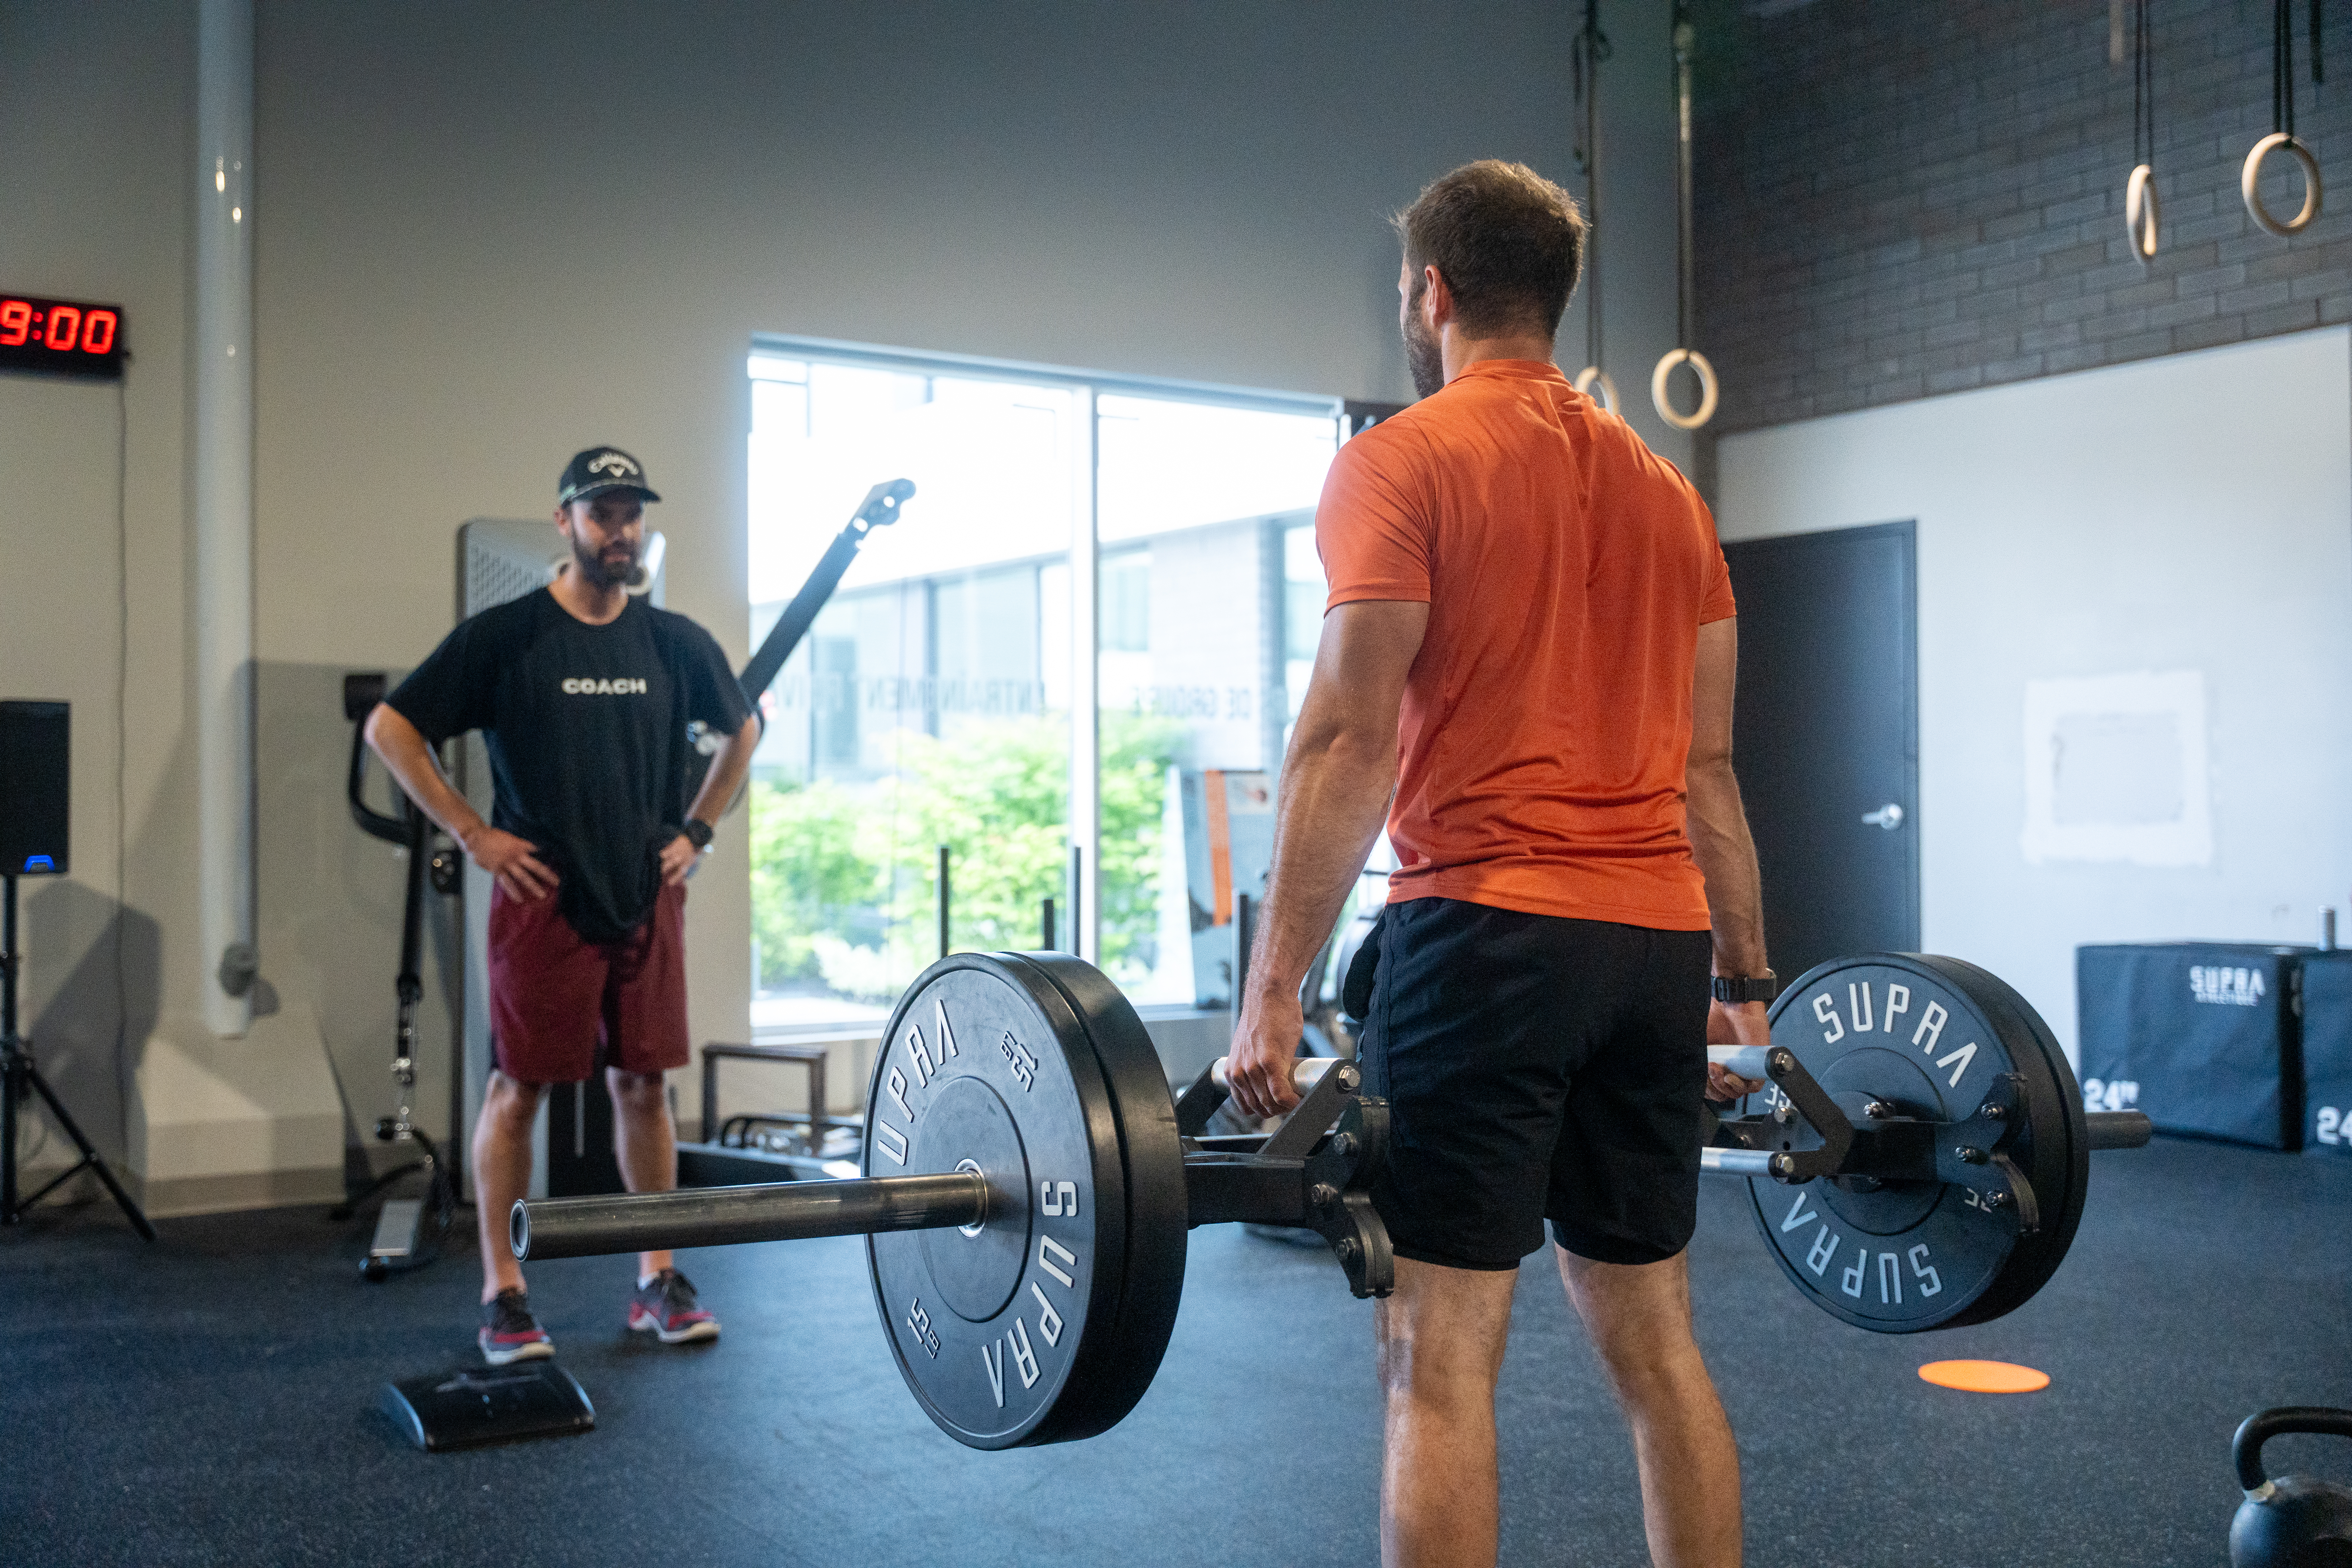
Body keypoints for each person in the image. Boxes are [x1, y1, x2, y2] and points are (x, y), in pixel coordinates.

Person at [1223, 161, 1774, 1568]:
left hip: (1485, 934)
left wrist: (1271, 986)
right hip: (1652, 948)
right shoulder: (1670, 497)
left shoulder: (1402, 461)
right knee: (1657, 1346)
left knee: (1439, 1359)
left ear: (1435, 292)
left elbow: (1348, 737)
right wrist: (1747, 986)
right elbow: (1709, 771)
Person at [366, 446, 762, 1365]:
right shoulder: (508, 636)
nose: (619, 531)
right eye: (602, 514)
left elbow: (744, 727)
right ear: (566, 521)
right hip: (542, 896)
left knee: (645, 1086)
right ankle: (504, 1292)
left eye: (631, 516)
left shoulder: (672, 641)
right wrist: (474, 833)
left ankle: (655, 1278)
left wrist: (697, 832)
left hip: (645, 894)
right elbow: (393, 728)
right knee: (519, 1091)